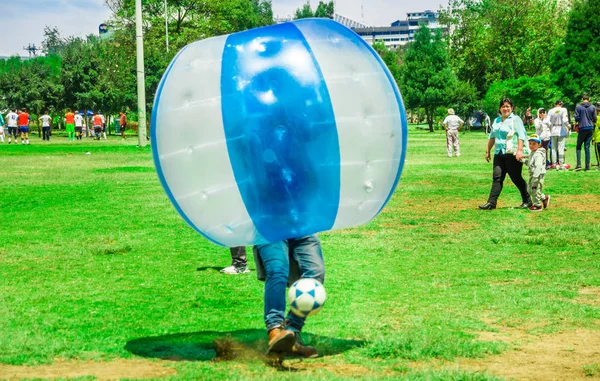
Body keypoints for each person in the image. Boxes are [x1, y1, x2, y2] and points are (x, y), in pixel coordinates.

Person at [253, 235, 324, 358]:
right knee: (277, 271)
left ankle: (292, 331)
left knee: (315, 272)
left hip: (301, 225)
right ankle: (275, 330)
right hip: (268, 226)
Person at [479, 98, 531, 210]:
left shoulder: (515, 119)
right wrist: (488, 150)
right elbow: (492, 136)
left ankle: (528, 200)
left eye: (508, 106)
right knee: (497, 178)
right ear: (500, 108)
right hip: (499, 153)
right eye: (503, 106)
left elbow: (521, 135)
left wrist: (520, 151)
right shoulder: (497, 120)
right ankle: (491, 203)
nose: (505, 108)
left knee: (516, 178)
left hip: (511, 154)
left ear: (512, 108)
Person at [525, 135, 550, 212]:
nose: (531, 145)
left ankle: (537, 205)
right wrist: (523, 161)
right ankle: (544, 198)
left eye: (534, 144)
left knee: (534, 190)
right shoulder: (533, 153)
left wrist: (536, 177)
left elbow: (538, 166)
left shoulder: (538, 154)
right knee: (529, 189)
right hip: (533, 175)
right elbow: (530, 163)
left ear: (539, 144)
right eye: (530, 143)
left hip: (537, 175)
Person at [573, 94, 598, 171]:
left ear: (582, 99)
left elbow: (576, 117)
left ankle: (579, 164)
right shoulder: (593, 107)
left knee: (578, 146)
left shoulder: (578, 106)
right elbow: (595, 118)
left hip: (582, 127)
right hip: (590, 127)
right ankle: (587, 166)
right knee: (587, 147)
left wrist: (578, 122)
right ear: (589, 99)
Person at [547, 100, 570, 170]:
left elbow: (547, 121)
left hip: (553, 131)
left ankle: (554, 164)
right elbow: (565, 120)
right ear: (561, 104)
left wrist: (551, 127)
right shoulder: (563, 110)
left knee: (553, 148)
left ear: (555, 104)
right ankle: (561, 164)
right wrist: (569, 126)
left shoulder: (550, 111)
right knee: (561, 148)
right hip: (561, 131)